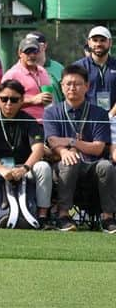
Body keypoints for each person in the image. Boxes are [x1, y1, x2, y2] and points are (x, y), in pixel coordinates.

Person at [42, 65, 116, 233]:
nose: (72, 88)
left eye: (77, 84)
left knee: (106, 166)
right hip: (63, 166)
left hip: (92, 165)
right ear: (61, 86)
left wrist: (71, 142)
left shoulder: (99, 113)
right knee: (69, 161)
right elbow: (52, 140)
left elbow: (98, 148)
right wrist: (63, 151)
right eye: (67, 84)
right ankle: (63, 215)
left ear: (87, 86)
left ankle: (108, 217)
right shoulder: (51, 112)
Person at [0, 79, 51, 228]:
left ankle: (43, 217)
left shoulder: (30, 121)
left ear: (22, 100)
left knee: (43, 167)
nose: (8, 103)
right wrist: (1, 169)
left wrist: (25, 168)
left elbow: (39, 149)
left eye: (14, 100)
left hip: (24, 167)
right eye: (4, 99)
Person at [1, 37, 53, 120]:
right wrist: (32, 100)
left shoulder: (43, 71)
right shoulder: (12, 75)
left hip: (45, 122)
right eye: (27, 52)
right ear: (20, 53)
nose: (32, 55)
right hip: (23, 123)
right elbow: (2, 102)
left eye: (35, 52)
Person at [73, 26, 116, 120]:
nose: (98, 44)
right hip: (86, 119)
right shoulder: (78, 67)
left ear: (110, 42)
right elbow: (73, 94)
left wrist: (111, 115)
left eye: (102, 40)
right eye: (95, 40)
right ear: (89, 42)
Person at [26, 31, 63, 103]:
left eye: (35, 45)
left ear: (45, 46)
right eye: (28, 46)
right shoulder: (19, 71)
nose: (32, 49)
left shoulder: (59, 69)